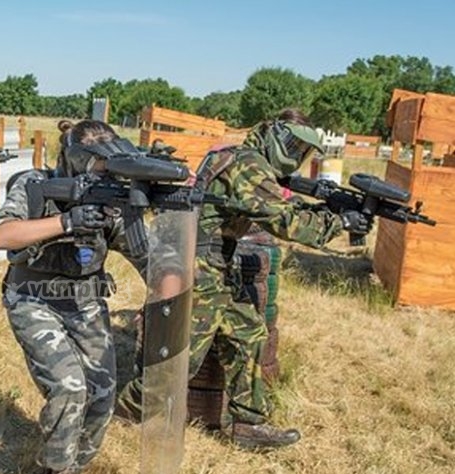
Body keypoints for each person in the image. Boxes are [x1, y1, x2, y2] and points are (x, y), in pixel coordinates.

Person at [116, 108, 372, 450]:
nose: (296, 158)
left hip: (215, 264)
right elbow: (283, 221)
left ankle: (248, 424)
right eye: (293, 147)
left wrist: (330, 211)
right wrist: (339, 223)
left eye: (303, 152)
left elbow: (284, 204)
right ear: (274, 137)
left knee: (248, 333)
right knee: (179, 358)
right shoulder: (247, 164)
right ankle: (125, 414)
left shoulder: (244, 160)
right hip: (198, 268)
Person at [0, 120, 148, 474]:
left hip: (87, 301)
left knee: (103, 394)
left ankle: (75, 464)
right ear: (77, 161)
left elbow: (148, 258)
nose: (109, 174)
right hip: (33, 297)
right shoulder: (34, 183)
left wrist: (174, 287)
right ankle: (57, 473)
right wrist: (66, 222)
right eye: (100, 166)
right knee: (70, 387)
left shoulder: (114, 198)